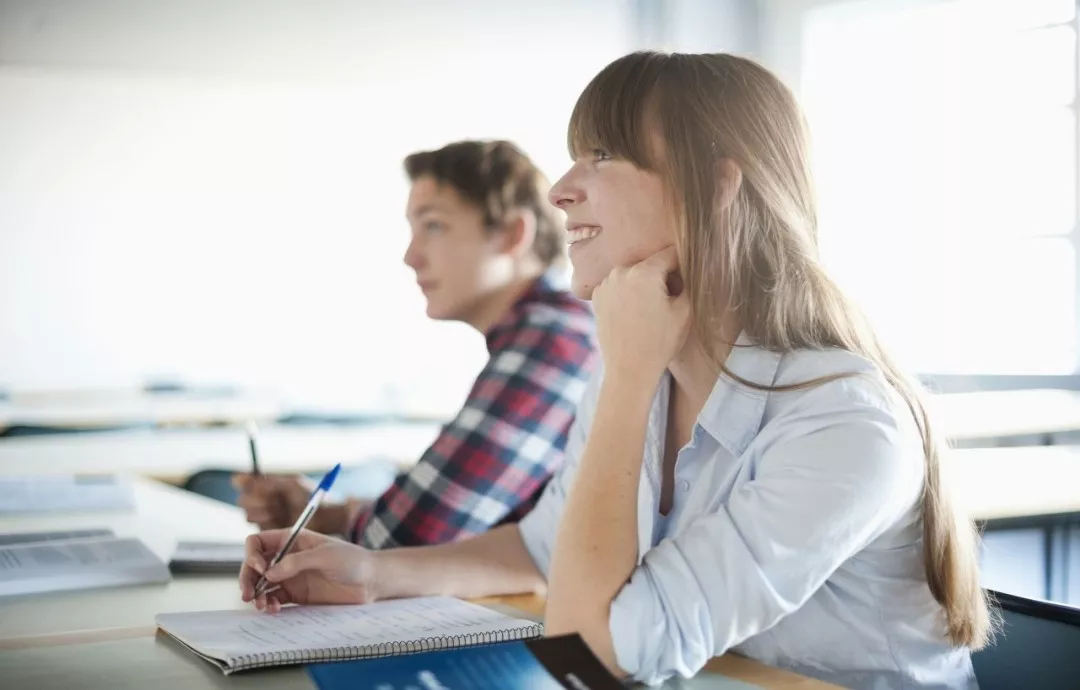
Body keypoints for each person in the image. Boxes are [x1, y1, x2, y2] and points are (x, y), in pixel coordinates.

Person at [239, 52, 992, 689]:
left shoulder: (844, 425)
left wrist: (629, 378)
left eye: (601, 156)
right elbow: (540, 546)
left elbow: (589, 658)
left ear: (719, 191)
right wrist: (374, 575)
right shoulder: (637, 364)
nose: (564, 189)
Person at [232, 140, 597, 548]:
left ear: (513, 233)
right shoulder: (557, 328)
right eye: (412, 229)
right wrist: (323, 513)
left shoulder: (553, 342)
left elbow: (407, 537)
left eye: (434, 226)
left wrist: (332, 520)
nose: (411, 255)